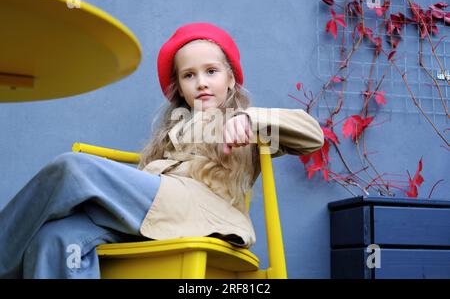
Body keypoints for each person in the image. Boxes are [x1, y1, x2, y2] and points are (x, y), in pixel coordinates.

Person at [0, 22, 324, 279]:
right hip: (157, 214)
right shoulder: (172, 130)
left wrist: (251, 119)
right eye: (189, 75)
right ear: (179, 88)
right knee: (56, 238)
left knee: (74, 169)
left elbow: (313, 136)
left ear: (231, 79)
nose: (201, 82)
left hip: (202, 213)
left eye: (211, 71)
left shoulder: (240, 124)